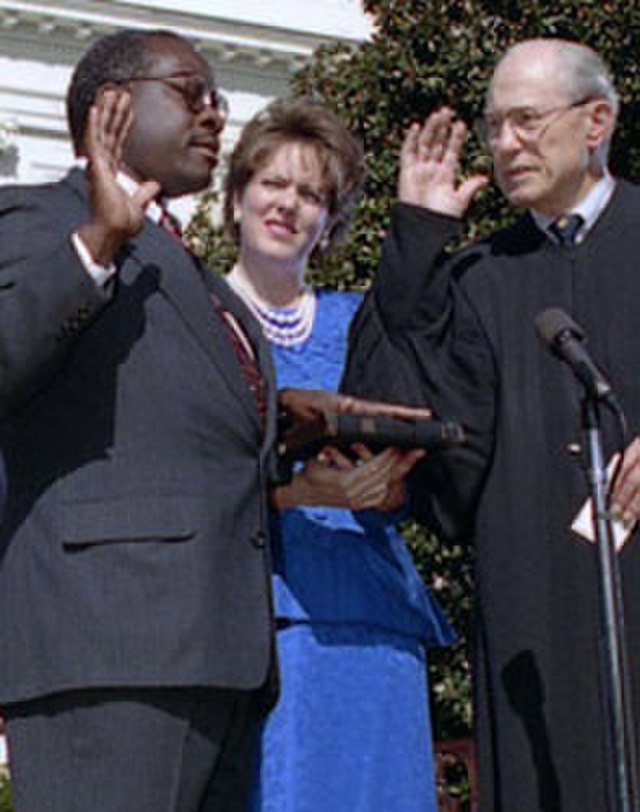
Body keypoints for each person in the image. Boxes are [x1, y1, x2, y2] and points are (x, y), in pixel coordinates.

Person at [0, 30, 425, 812]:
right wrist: (95, 242)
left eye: (216, 99)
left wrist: (290, 429)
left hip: (219, 665)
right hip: (112, 654)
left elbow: (186, 439)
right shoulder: (36, 217)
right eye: (190, 93)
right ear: (113, 107)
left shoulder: (194, 279)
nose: (213, 116)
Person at [343, 38, 640, 811]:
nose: (505, 144)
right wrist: (414, 237)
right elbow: (389, 417)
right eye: (495, 125)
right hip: (533, 608)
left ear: (597, 118)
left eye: (528, 121)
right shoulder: (476, 275)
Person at [222, 97, 454, 812]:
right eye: (274, 184)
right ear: (236, 198)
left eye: (312, 194)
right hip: (265, 628)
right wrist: (291, 493)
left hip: (378, 623)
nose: (289, 205)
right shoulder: (197, 320)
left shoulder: (364, 323)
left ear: (330, 222)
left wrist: (394, 488)